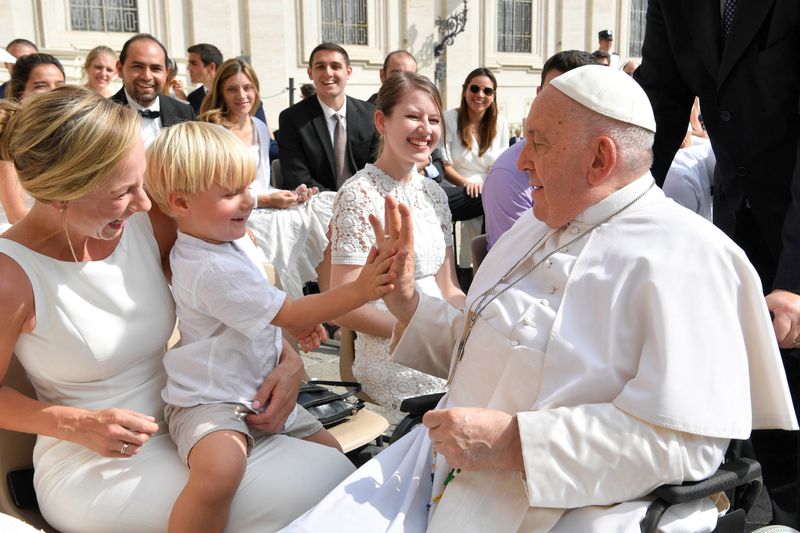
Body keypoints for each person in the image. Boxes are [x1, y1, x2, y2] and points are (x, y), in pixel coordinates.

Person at [283, 65, 798, 533]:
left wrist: (516, 443)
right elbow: (480, 347)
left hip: (561, 503)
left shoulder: (691, 259)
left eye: (538, 143)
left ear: (600, 158)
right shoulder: (536, 223)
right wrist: (408, 304)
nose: (522, 162)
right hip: (438, 466)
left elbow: (684, 443)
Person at [0, 86, 354, 532]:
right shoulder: (9, 275)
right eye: (123, 191)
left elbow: (236, 296)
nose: (146, 202)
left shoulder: (148, 221)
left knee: (333, 469)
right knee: (322, 483)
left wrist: (288, 362)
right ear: (62, 193)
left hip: (199, 415)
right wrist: (77, 424)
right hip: (98, 461)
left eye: (141, 182)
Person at [144, 121, 396, 533]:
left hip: (255, 389)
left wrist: (286, 338)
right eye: (229, 193)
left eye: (247, 187)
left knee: (333, 454)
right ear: (180, 202)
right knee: (220, 473)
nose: (247, 201)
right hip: (210, 401)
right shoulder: (205, 265)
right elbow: (292, 310)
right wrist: (361, 289)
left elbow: (261, 312)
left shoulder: (228, 238)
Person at [633, 1, 800, 524]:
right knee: (775, 423)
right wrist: (613, 212)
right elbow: (659, 100)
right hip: (744, 233)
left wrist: (796, 279)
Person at [328, 72, 464, 419]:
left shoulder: (436, 195)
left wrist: (466, 324)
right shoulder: (358, 195)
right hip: (391, 356)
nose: (426, 129)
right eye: (413, 116)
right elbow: (342, 304)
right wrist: (417, 331)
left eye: (433, 120)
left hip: (442, 348)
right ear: (381, 121)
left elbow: (447, 285)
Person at [200, 58, 336, 297]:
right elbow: (213, 190)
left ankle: (329, 298)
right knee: (289, 228)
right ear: (221, 91)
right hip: (232, 212)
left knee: (320, 209)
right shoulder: (212, 131)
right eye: (232, 89)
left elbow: (263, 183)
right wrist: (265, 201)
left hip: (263, 204)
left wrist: (292, 195)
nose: (241, 95)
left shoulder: (259, 127)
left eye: (247, 88)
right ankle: (291, 305)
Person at [482, 50, 595, 250]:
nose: (563, 107)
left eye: (576, 97)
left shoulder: (596, 163)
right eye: (554, 94)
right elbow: (517, 263)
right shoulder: (509, 175)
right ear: (538, 95)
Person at [278, 43, 379, 192]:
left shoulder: (370, 115)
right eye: (320, 67)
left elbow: (378, 167)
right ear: (310, 73)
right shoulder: (292, 119)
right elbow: (298, 178)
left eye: (335, 66)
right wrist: (337, 201)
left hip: (364, 199)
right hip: (315, 203)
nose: (328, 73)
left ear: (348, 72)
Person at [440, 67, 508, 269]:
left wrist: (486, 186)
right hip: (457, 187)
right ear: (465, 91)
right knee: (484, 199)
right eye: (475, 88)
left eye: (487, 91)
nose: (480, 95)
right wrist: (467, 183)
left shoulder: (500, 124)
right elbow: (444, 164)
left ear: (493, 96)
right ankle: (466, 270)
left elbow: (501, 165)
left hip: (488, 187)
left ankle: (489, 266)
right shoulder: (449, 119)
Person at [0, 54, 65, 228]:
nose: (53, 92)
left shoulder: (67, 135)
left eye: (59, 85)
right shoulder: (7, 137)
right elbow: (16, 214)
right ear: (22, 93)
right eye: (41, 86)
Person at [112, 33, 195, 148]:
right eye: (137, 66)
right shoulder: (100, 116)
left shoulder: (185, 113)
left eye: (156, 69)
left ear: (166, 73)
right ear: (120, 69)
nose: (147, 76)